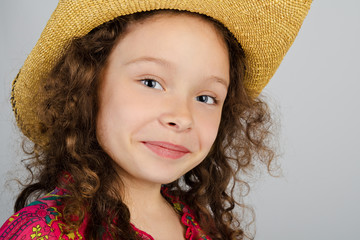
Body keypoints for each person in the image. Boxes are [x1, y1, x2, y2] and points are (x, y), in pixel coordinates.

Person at [0, 1, 312, 239]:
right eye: (151, 82)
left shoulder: (201, 224)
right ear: (88, 85)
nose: (181, 117)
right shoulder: (42, 231)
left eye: (206, 98)